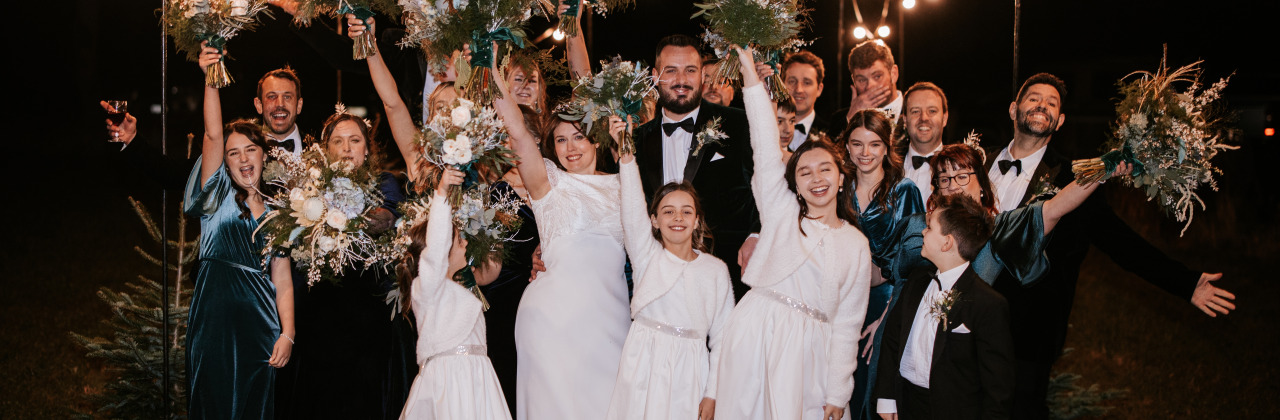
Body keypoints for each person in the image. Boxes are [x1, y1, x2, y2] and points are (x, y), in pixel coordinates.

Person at [984, 73, 1236, 419]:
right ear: (1014, 109)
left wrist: (1185, 283)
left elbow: (1122, 244)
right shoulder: (975, 164)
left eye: (1051, 102)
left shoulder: (1077, 179)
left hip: (1028, 336)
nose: (1041, 104)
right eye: (1033, 98)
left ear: (1060, 121)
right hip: (965, 323)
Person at [714, 46, 872, 420]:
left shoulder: (856, 244)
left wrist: (838, 392)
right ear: (794, 185)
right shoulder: (781, 211)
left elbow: (848, 324)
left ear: (840, 176)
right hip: (756, 332)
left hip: (812, 350)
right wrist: (751, 76)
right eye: (805, 172)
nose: (816, 179)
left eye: (825, 170)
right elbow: (764, 142)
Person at [493, 53, 631, 420]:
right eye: (560, 140)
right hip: (550, 321)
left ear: (597, 140)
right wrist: (488, 66)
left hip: (611, 319)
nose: (570, 148)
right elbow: (517, 132)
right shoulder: (548, 182)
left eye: (579, 137)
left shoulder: (626, 183)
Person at [184, 42, 295, 419]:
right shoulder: (214, 198)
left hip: (262, 325)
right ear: (225, 163)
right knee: (212, 403)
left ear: (264, 154)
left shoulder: (281, 212)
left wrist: (288, 333)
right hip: (213, 320)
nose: (243, 158)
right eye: (234, 153)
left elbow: (282, 278)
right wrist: (211, 76)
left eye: (250, 150)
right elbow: (213, 134)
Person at [608, 116, 736, 420]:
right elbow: (632, 208)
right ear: (654, 220)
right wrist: (625, 153)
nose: (677, 218)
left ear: (696, 220)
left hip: (692, 368)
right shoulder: (646, 254)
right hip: (644, 360)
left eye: (686, 211)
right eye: (668, 211)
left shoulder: (715, 270)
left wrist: (713, 392)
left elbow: (723, 337)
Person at [633, 34, 760, 300]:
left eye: (690, 70)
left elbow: (768, 184)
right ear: (655, 76)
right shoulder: (635, 140)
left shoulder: (739, 124)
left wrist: (757, 235)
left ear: (702, 75)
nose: (681, 80)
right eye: (671, 71)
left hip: (729, 276)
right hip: (658, 282)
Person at [874, 194, 1014, 420]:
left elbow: (998, 388)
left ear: (947, 242)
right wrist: (886, 398)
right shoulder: (917, 281)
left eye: (929, 228)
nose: (922, 232)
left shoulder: (987, 304)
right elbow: (892, 339)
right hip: (904, 402)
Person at [396, 167, 512, 420]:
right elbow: (436, 246)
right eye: (459, 241)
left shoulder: (460, 290)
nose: (466, 244)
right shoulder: (427, 289)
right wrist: (442, 193)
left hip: (477, 380)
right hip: (449, 384)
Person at [835, 109, 925, 419]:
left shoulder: (904, 191)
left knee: (868, 392)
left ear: (887, 147)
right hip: (838, 302)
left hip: (882, 303)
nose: (865, 153)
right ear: (846, 146)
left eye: (874, 144)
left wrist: (885, 321)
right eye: (857, 144)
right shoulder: (837, 188)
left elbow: (912, 264)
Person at [830, 40, 902, 137]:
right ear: (853, 80)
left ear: (893, 74)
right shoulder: (840, 119)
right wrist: (851, 119)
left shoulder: (916, 111)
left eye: (877, 76)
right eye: (861, 80)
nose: (869, 86)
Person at [900, 82, 949, 200]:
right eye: (915, 111)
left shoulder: (961, 168)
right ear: (905, 120)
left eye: (932, 111)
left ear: (945, 118)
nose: (924, 118)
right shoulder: (887, 165)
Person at [782, 50, 829, 150]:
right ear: (782, 85)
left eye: (807, 83)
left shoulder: (830, 134)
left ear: (819, 89)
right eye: (792, 81)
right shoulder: (766, 128)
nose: (798, 89)